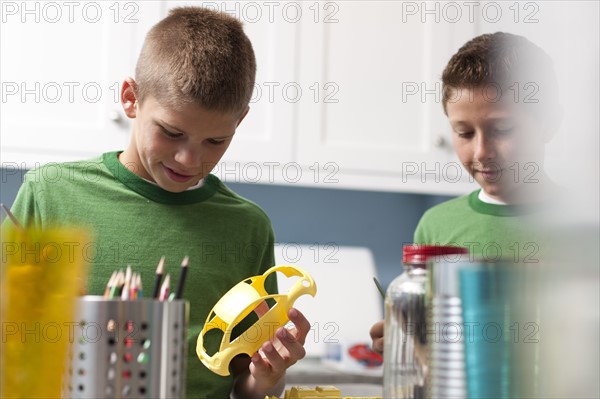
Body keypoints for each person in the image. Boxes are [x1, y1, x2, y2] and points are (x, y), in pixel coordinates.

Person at [5, 7, 309, 399]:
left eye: (215, 141)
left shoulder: (247, 228)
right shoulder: (51, 193)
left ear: (240, 121)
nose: (189, 159)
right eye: (171, 132)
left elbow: (245, 384)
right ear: (131, 99)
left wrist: (267, 377)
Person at [371, 32, 561, 354]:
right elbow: (429, 347)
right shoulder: (436, 226)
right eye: (464, 132)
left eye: (503, 130)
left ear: (549, 122)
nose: (482, 151)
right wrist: (403, 343)